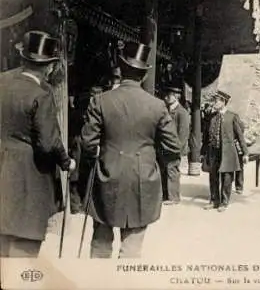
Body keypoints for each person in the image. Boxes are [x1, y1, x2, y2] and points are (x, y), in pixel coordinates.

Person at [81, 41, 180, 258]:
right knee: (132, 250)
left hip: (107, 175)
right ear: (143, 75)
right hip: (142, 179)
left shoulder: (100, 101)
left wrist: (102, 154)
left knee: (100, 245)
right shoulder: (157, 106)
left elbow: (87, 144)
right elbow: (174, 147)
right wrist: (150, 160)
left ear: (120, 69)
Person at [0, 31, 76, 257]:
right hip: (28, 175)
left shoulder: (2, 84)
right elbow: (47, 142)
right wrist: (66, 162)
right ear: (49, 67)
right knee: (25, 247)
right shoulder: (41, 93)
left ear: (24, 59)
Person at [202, 90, 249, 212]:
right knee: (213, 177)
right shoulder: (211, 117)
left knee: (227, 178)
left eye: (217, 101)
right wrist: (203, 153)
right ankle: (213, 201)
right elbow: (206, 136)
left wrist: (245, 153)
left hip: (227, 152)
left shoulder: (232, 116)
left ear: (223, 102)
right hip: (213, 152)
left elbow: (240, 135)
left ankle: (224, 202)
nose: (214, 103)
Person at [161, 86, 190, 205]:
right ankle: (166, 195)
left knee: (172, 170)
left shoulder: (181, 112)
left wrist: (177, 148)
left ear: (176, 96)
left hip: (174, 147)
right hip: (165, 146)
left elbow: (183, 133)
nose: (166, 97)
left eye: (169, 95)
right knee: (165, 170)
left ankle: (174, 197)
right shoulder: (167, 110)